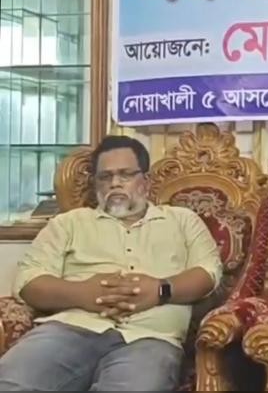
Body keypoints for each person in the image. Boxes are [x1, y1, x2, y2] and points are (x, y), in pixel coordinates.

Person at [0, 136, 223, 391]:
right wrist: (83, 293)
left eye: (125, 174)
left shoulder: (182, 220)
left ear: (146, 181)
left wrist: (160, 290)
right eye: (105, 177)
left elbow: (209, 273)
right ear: (96, 183)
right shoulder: (68, 223)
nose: (115, 183)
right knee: (10, 382)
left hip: (150, 338)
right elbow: (28, 282)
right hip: (70, 329)